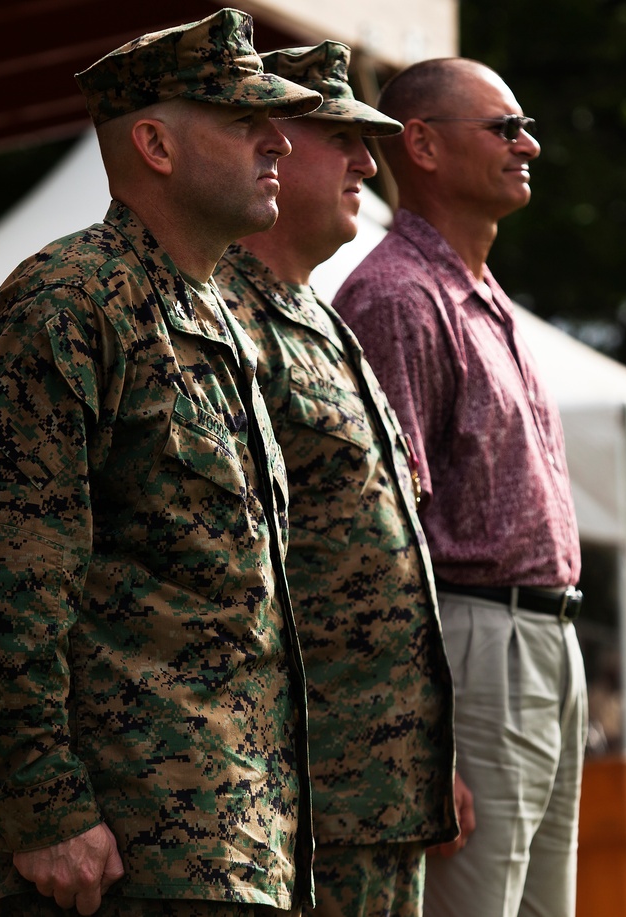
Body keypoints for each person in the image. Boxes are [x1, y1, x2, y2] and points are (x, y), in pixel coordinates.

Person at [0, 10, 324, 917]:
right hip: (118, 860)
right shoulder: (69, 305)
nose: (277, 140)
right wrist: (43, 809)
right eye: (243, 118)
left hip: (233, 847)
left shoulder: (220, 320)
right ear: (155, 144)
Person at [212, 42, 463, 917]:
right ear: (270, 143)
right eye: (340, 136)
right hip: (304, 797)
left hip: (382, 790)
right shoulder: (221, 321)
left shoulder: (321, 318)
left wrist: (433, 755)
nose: (368, 161)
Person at [333, 57, 588, 917]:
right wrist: (419, 735)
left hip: (543, 639)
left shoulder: (478, 291)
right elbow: (382, 532)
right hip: (475, 643)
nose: (531, 144)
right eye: (504, 127)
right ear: (424, 146)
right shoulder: (397, 296)